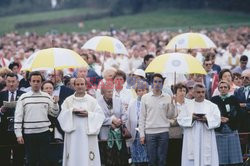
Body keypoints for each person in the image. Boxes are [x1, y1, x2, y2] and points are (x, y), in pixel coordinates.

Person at [14, 71, 59, 166]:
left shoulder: (47, 97)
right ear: (30, 82)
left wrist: (55, 103)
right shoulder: (23, 97)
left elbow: (54, 114)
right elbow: (18, 117)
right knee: (31, 161)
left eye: (38, 81)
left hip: (44, 133)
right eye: (33, 81)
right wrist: (18, 134)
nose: (36, 83)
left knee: (44, 161)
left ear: (41, 82)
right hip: (29, 134)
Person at [58, 77, 105, 166]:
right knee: (73, 155)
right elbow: (62, 116)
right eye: (77, 84)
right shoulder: (68, 101)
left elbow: (100, 116)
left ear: (86, 86)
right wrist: (71, 111)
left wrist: (89, 114)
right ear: (74, 86)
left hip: (87, 135)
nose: (80, 86)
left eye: (82, 84)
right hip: (73, 134)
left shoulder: (92, 101)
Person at [177, 83, 221, 166]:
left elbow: (217, 120)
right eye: (198, 92)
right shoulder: (187, 105)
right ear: (193, 93)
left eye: (203, 92)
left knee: (207, 157)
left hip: (206, 134)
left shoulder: (212, 106)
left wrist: (207, 119)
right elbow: (180, 120)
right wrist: (192, 118)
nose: (201, 94)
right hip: (191, 134)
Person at [139, 73, 175, 166]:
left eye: (159, 82)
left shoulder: (167, 97)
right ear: (151, 83)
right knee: (152, 160)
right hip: (150, 133)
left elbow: (170, 116)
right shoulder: (145, 97)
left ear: (162, 83)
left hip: (164, 132)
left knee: (162, 160)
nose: (157, 84)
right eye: (155, 81)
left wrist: (172, 104)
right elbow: (142, 117)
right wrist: (142, 135)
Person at [211, 81, 243, 165]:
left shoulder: (234, 99)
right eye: (221, 87)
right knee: (220, 157)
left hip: (231, 128)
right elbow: (211, 114)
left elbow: (239, 114)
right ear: (218, 89)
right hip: (219, 130)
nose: (223, 89)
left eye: (225, 87)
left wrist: (229, 119)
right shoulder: (214, 99)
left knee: (233, 158)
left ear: (229, 89)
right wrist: (219, 119)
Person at [98, 81, 129, 166]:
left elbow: (124, 114)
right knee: (110, 159)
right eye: (108, 91)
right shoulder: (98, 102)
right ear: (103, 92)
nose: (111, 93)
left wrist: (119, 121)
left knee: (121, 158)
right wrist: (111, 121)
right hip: (106, 135)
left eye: (112, 91)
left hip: (119, 134)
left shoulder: (118, 100)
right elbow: (98, 118)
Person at [0, 73, 25, 166]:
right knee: (3, 157)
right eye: (9, 82)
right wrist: (1, 110)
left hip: (19, 130)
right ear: (6, 82)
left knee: (19, 157)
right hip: (4, 131)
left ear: (17, 82)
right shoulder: (1, 95)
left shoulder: (23, 95)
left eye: (13, 82)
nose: (11, 84)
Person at [127, 81, 149, 166]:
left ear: (146, 91)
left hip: (146, 131)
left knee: (146, 157)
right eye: (139, 91)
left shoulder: (149, 101)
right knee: (136, 157)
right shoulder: (132, 102)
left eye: (143, 90)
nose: (141, 92)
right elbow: (128, 116)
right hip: (135, 133)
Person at [168, 82, 190, 166]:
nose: (182, 93)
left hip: (186, 134)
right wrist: (178, 119)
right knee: (174, 158)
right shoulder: (171, 103)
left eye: (184, 91)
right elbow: (168, 119)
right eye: (180, 90)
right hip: (174, 136)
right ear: (175, 92)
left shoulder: (189, 103)